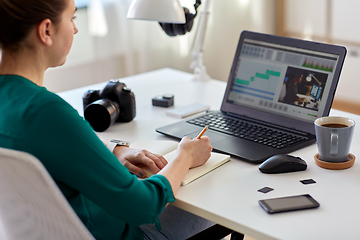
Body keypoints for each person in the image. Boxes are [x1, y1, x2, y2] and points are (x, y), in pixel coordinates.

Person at [0, 0, 214, 239]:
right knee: (209, 196)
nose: (75, 29)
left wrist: (114, 152)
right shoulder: (46, 111)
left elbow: (56, 148)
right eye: (72, 19)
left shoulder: (17, 104)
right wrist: (185, 156)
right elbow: (144, 206)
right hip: (110, 232)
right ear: (46, 30)